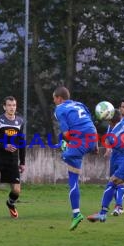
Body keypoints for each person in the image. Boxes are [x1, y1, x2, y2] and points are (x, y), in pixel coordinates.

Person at [87, 94, 124, 222]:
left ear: (109, 121)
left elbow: (112, 146)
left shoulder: (111, 137)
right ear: (120, 116)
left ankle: (103, 213)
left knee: (113, 182)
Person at [53, 86, 98, 231]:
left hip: (80, 141)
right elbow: (90, 123)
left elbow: (66, 134)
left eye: (54, 99)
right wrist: (95, 145)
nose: (54, 101)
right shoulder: (79, 104)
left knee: (63, 151)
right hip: (92, 137)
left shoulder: (59, 109)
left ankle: (65, 150)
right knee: (73, 178)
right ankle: (76, 213)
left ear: (59, 98)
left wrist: (67, 144)